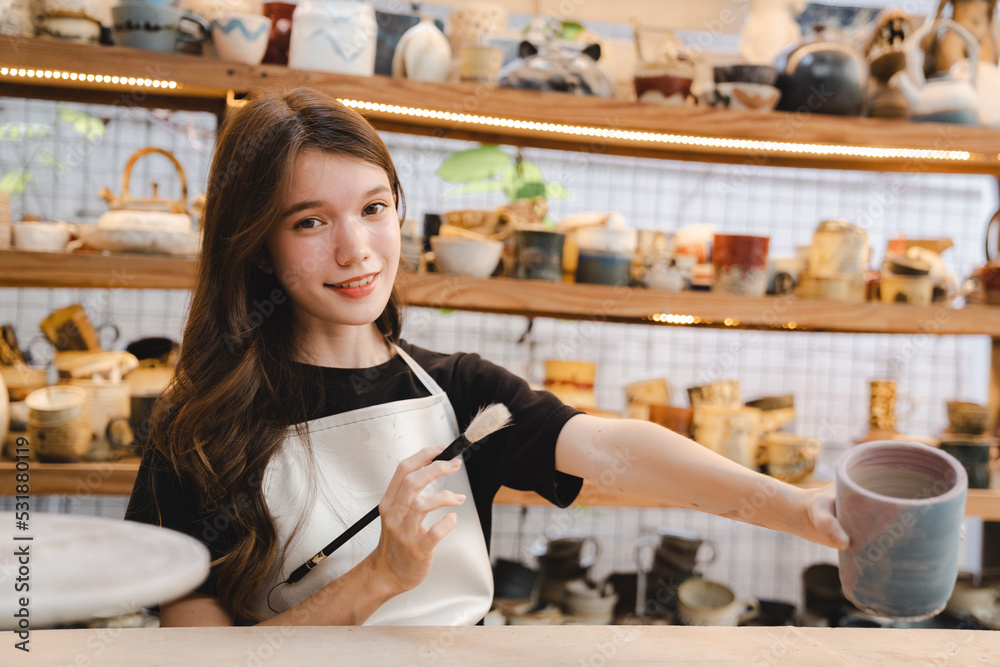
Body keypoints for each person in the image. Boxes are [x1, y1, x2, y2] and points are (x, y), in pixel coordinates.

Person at [125, 87, 848, 628]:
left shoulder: (459, 393)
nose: (356, 249)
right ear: (254, 244)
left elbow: (615, 447)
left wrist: (801, 508)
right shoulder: (198, 431)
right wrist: (378, 576)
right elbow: (199, 659)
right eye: (311, 221)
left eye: (374, 208)